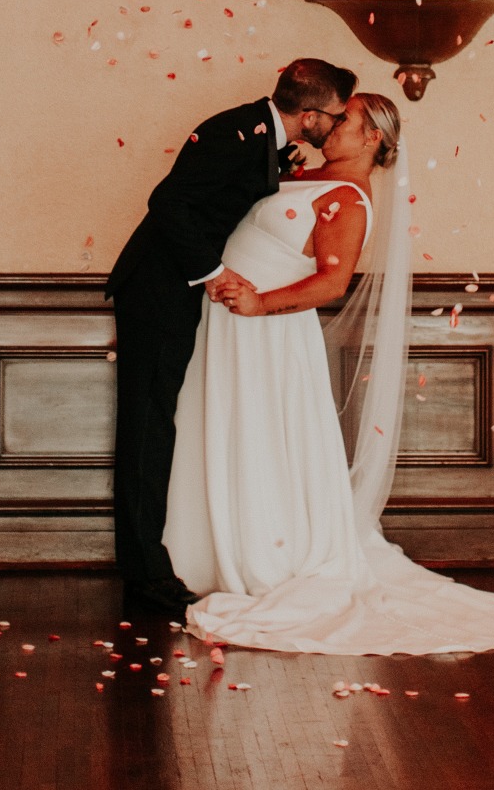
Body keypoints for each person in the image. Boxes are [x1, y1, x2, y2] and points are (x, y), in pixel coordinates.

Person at [164, 92, 494, 656]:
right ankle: (207, 548)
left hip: (266, 332)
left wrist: (258, 302)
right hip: (224, 323)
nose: (330, 123)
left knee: (261, 435)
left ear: (372, 138)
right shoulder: (295, 172)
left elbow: (330, 284)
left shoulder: (347, 199)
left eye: (345, 119)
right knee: (217, 427)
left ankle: (266, 550)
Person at [105, 57, 357, 615]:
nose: (337, 126)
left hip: (173, 288)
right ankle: (145, 573)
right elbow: (166, 203)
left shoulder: (261, 134)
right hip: (158, 287)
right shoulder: (237, 131)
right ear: (311, 114)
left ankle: (144, 564)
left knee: (156, 426)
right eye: (335, 116)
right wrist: (214, 274)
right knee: (148, 429)